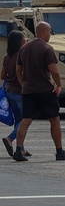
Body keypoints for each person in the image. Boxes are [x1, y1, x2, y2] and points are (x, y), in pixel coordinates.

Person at [13, 21, 65, 161]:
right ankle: (59, 151)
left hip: (28, 90)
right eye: (50, 32)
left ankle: (18, 150)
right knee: (54, 119)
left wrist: (23, 84)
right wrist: (58, 85)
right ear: (44, 32)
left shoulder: (24, 48)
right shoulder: (47, 48)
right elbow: (54, 71)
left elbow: (18, 70)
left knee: (25, 120)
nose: (50, 35)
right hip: (45, 89)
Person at [1, 29, 25, 158]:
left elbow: (2, 75)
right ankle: (10, 138)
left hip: (9, 91)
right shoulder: (21, 56)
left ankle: (21, 148)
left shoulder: (7, 57)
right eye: (23, 38)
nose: (25, 40)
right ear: (19, 42)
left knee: (18, 119)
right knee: (27, 119)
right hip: (20, 91)